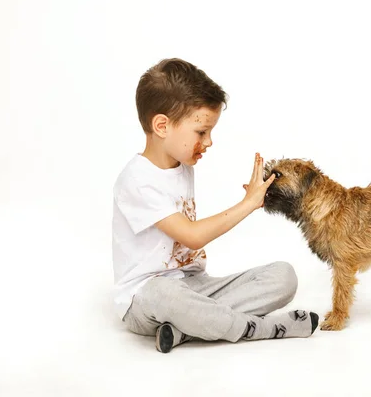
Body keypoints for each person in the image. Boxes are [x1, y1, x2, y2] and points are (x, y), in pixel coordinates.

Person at [112, 58, 319, 353]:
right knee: (166, 294)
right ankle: (263, 329)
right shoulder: (137, 179)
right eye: (200, 132)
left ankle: (186, 330)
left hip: (196, 287)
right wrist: (247, 204)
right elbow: (192, 236)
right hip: (145, 299)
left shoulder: (182, 167)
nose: (208, 141)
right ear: (162, 126)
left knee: (283, 275)